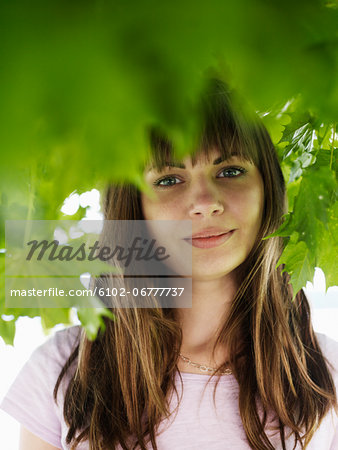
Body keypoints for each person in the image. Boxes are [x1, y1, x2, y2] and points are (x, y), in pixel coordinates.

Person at [1, 79, 338, 450]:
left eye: (230, 171)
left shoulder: (327, 373)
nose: (205, 202)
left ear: (269, 190)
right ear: (134, 209)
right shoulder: (62, 369)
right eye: (168, 179)